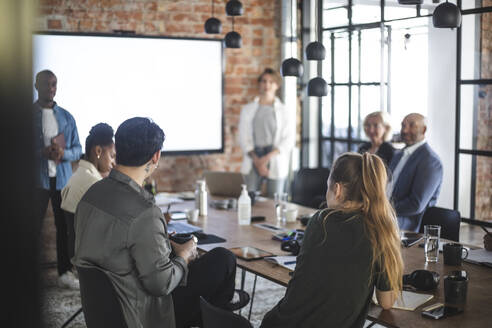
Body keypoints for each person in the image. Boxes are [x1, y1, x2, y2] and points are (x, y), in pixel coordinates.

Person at [73, 117, 248, 328]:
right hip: (142, 314)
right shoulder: (144, 212)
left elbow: (115, 244)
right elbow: (161, 284)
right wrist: (184, 255)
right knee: (224, 259)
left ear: (117, 149)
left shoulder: (91, 194)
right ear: (156, 156)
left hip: (105, 311)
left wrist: (164, 244)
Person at [261, 152, 403, 328]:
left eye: (327, 186)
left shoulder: (319, 220)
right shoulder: (381, 232)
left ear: (337, 189)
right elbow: (386, 302)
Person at [33, 70, 82, 289]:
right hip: (36, 180)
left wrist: (64, 154)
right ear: (36, 86)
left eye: (54, 84)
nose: (50, 89)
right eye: (46, 84)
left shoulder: (67, 117)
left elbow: (78, 149)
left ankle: (64, 273)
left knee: (65, 228)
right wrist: (40, 152)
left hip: (62, 180)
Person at [61, 123, 115, 278]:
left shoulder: (80, 174)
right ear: (98, 151)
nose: (113, 163)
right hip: (90, 259)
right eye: (111, 156)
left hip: (79, 253)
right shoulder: (93, 182)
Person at [238, 68, 295, 197]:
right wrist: (257, 161)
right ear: (259, 84)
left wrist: (265, 159)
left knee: (276, 201)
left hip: (274, 157)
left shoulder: (284, 111)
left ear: (277, 85)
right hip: (253, 158)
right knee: (249, 198)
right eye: (264, 81)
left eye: (271, 82)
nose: (267, 85)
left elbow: (288, 140)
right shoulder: (248, 109)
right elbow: (243, 138)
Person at [389, 113, 443, 232]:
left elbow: (415, 204)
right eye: (403, 126)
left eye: (412, 125)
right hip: (386, 217)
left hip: (406, 225)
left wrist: (383, 208)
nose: (405, 130)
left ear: (423, 130)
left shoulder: (430, 161)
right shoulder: (397, 154)